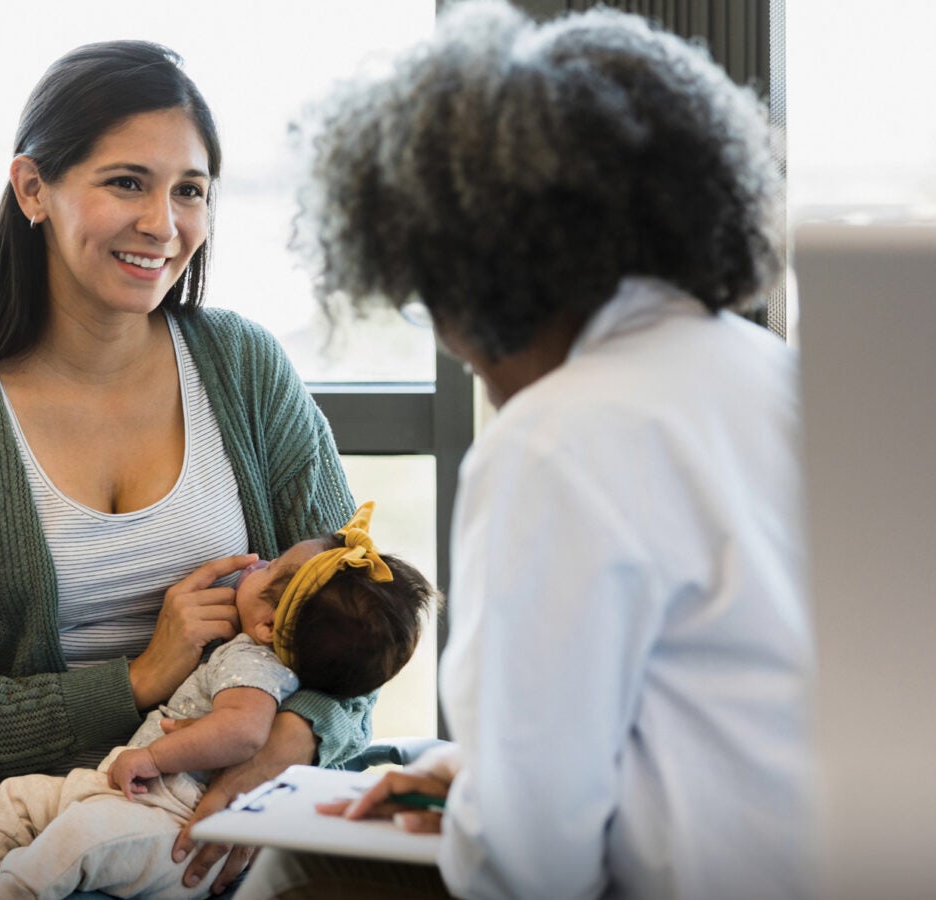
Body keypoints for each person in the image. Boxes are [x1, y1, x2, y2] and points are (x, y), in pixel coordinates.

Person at [239, 2, 814, 899]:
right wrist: (478, 784)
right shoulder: (771, 374)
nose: (458, 347)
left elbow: (527, 865)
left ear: (480, 273)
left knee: (291, 863)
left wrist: (487, 812)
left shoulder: (553, 444)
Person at [0, 40, 369, 899]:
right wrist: (139, 680)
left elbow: (359, 615)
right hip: (25, 844)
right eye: (127, 182)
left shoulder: (244, 368)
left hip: (239, 822)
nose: (163, 224)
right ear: (32, 189)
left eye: (189, 190)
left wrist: (284, 748)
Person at [0, 503, 436, 900]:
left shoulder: (251, 665)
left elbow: (245, 731)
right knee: (19, 798)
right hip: (120, 794)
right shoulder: (257, 652)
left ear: (268, 625)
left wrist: (162, 756)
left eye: (269, 568)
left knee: (71, 844)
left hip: (171, 823)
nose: (256, 562)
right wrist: (139, 679)